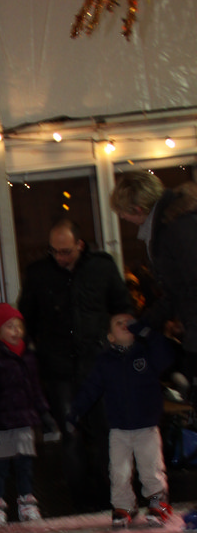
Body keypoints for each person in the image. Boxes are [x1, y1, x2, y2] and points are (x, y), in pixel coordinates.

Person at [18, 217, 132, 510]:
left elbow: (122, 307)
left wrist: (120, 343)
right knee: (71, 433)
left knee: (107, 430)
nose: (59, 257)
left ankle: (113, 494)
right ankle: (81, 500)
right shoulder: (39, 273)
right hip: (58, 366)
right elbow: (27, 317)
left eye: (65, 251)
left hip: (98, 362)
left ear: (80, 245)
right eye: (54, 251)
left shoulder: (102, 267)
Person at [68, 314, 176, 528]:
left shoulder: (146, 353)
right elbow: (91, 389)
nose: (126, 325)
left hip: (146, 426)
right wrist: (76, 412)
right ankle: (123, 506)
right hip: (119, 429)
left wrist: (146, 332)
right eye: (119, 323)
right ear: (110, 337)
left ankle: (159, 502)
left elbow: (166, 355)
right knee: (119, 471)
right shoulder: (105, 362)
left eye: (129, 322)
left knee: (151, 468)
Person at [109, 172, 197, 405]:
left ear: (138, 209)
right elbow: (176, 293)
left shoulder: (176, 230)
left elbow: (187, 289)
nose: (122, 218)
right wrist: (144, 324)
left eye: (123, 212)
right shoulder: (171, 226)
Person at [0, 303, 56, 526]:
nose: (16, 331)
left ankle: (27, 501)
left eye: (19, 326)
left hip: (24, 421)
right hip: (2, 423)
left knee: (25, 465)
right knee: (0, 467)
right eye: (10, 326)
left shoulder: (27, 356)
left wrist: (44, 413)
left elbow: (35, 389)